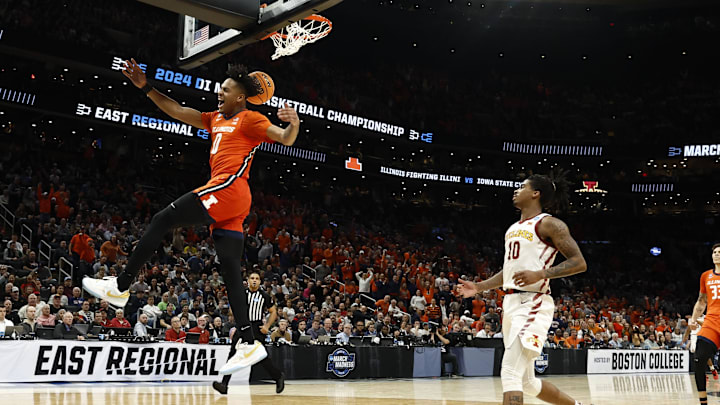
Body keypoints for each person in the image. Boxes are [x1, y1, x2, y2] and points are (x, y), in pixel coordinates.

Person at [82, 59, 300, 376]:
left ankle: (121, 286)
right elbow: (177, 110)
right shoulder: (214, 118)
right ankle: (249, 342)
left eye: (225, 89)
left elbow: (285, 138)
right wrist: (146, 87)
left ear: (240, 96)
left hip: (227, 189)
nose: (219, 92)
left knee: (161, 220)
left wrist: (293, 124)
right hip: (234, 202)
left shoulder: (250, 119)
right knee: (230, 272)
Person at [458, 171, 588, 405]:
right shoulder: (513, 228)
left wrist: (541, 273)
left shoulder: (549, 223)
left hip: (534, 301)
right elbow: (509, 272)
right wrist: (479, 287)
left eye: (522, 186)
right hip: (511, 304)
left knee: (509, 372)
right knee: (527, 382)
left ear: (535, 193)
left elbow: (579, 262)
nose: (516, 190)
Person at [213, 272, 285, 395]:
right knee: (233, 354)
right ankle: (224, 384)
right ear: (248, 280)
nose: (254, 280)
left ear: (260, 282)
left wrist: (267, 326)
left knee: (261, 357)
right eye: (252, 278)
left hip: (257, 328)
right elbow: (232, 311)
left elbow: (273, 312)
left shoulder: (264, 296)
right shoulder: (241, 294)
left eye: (257, 279)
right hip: (242, 326)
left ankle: (278, 377)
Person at [690, 243, 720, 405]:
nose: (717, 254)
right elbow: (701, 301)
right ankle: (703, 403)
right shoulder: (706, 276)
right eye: (715, 252)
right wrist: (694, 319)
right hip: (712, 321)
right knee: (699, 359)